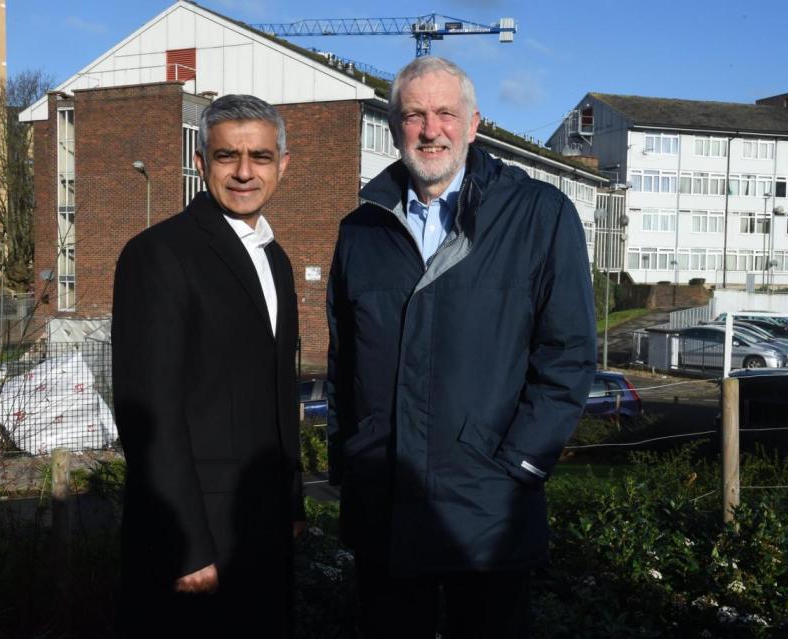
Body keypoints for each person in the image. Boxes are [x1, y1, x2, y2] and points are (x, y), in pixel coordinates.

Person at [326, 56, 597, 638]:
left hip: (489, 506)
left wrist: (518, 464)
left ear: (474, 124)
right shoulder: (361, 229)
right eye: (415, 115)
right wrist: (350, 459)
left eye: (446, 113)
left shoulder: (539, 215)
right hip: (386, 501)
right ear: (395, 125)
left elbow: (568, 356)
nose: (431, 130)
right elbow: (343, 359)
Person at [112, 94, 304, 637]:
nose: (245, 172)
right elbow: (148, 412)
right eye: (227, 157)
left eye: (261, 157)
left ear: (283, 165)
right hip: (198, 542)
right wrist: (186, 547)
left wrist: (292, 504)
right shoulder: (159, 254)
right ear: (201, 163)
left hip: (263, 529)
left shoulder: (276, 259)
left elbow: (276, 392)